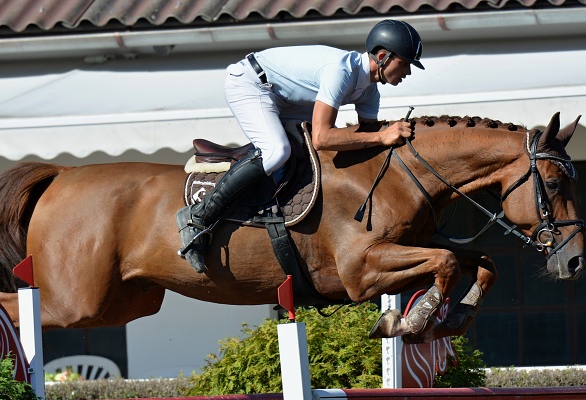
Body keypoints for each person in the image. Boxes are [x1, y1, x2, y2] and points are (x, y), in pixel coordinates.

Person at [177, 19, 424, 273]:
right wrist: (382, 136)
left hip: (284, 96)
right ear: (382, 57)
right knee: (277, 152)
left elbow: (367, 138)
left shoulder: (370, 92)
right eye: (405, 63)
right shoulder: (341, 72)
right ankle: (198, 216)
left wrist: (387, 138)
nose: (407, 72)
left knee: (306, 153)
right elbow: (323, 138)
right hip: (252, 83)